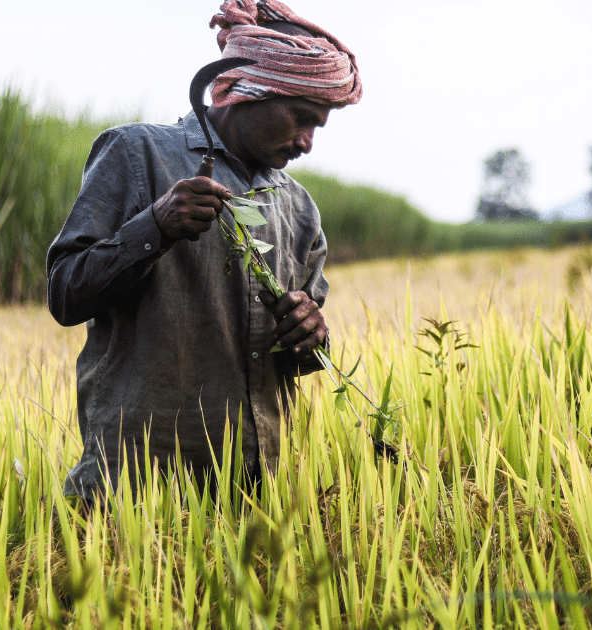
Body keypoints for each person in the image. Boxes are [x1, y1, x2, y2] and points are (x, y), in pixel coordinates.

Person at [46, 0, 362, 503]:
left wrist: (312, 337)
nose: (306, 143)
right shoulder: (137, 154)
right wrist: (155, 226)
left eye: (317, 127)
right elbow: (65, 293)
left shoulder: (297, 208)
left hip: (254, 493)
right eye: (300, 118)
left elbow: (303, 357)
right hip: (135, 494)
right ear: (249, 90)